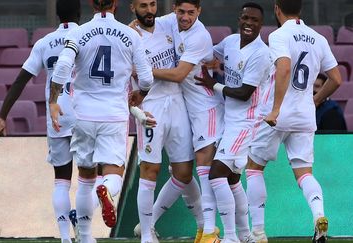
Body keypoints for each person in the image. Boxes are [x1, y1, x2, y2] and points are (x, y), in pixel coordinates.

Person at [49, 0, 154, 242]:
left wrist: (54, 100)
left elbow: (63, 65)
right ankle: (106, 188)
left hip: (84, 114)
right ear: (115, 3)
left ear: (91, 4)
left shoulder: (78, 32)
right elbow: (146, 78)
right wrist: (141, 94)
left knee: (85, 178)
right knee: (114, 173)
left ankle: (85, 237)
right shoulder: (130, 34)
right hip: (114, 115)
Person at [0, 1, 81, 242]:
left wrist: (1, 115)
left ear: (57, 14)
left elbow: (20, 81)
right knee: (94, 177)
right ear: (80, 12)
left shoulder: (44, 43)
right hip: (84, 114)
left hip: (57, 114)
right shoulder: (85, 35)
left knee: (61, 180)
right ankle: (81, 219)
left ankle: (64, 238)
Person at [247, 0, 343, 243]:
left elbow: (284, 68)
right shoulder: (318, 38)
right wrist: (317, 100)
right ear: (301, 9)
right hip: (304, 114)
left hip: (277, 114)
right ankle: (319, 216)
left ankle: (257, 233)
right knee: (304, 173)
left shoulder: (279, 35)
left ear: (277, 8)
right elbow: (336, 78)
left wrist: (276, 108)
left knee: (254, 168)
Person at [148, 1, 225, 242]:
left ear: (199, 11)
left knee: (205, 169)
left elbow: (179, 74)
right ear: (174, 9)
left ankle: (212, 232)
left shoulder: (199, 35)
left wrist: (142, 69)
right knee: (181, 171)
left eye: (191, 12)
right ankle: (153, 224)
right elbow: (140, 26)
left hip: (206, 108)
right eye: (181, 12)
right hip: (185, 106)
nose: (185, 17)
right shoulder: (171, 21)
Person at [195, 3, 270, 243]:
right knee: (232, 180)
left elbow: (244, 92)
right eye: (246, 18)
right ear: (240, 19)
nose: (249, 23)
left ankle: (229, 237)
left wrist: (212, 84)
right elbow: (209, 56)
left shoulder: (261, 54)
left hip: (246, 123)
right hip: (230, 120)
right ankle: (246, 235)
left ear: (261, 24)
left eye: (255, 20)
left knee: (216, 174)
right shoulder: (230, 41)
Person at [128, 0, 200, 243]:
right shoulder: (129, 36)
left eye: (152, 4)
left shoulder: (167, 22)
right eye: (143, 6)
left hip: (177, 102)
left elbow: (188, 13)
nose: (149, 10)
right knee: (150, 169)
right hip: (151, 104)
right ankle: (147, 235)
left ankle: (149, 223)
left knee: (183, 172)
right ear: (132, 7)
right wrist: (134, 108)